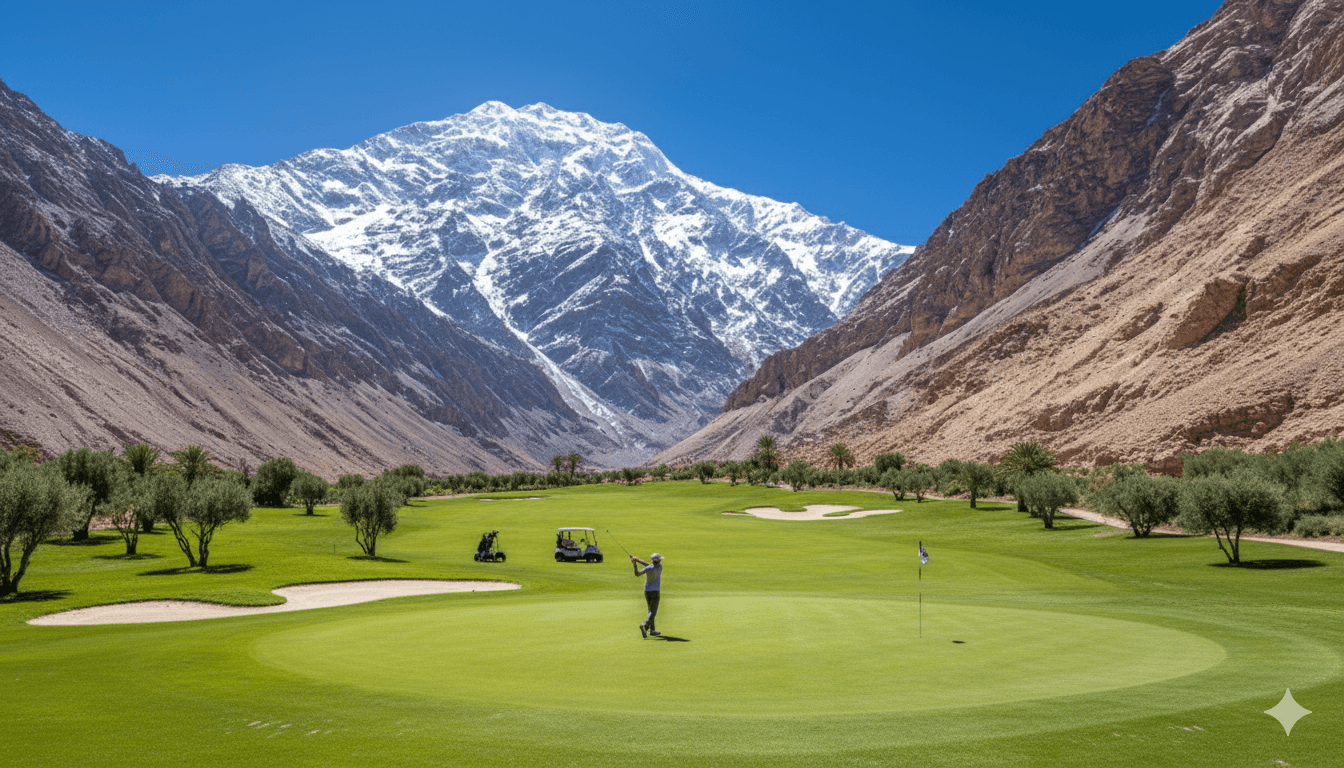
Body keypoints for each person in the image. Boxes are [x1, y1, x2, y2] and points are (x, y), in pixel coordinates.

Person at [631, 552, 663, 638]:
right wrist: (637, 560)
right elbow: (648, 564)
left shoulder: (649, 568)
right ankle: (645, 625)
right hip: (655, 591)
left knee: (650, 609)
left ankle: (652, 630)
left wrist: (635, 563)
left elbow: (637, 574)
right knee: (653, 611)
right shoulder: (660, 567)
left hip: (647, 591)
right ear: (658, 561)